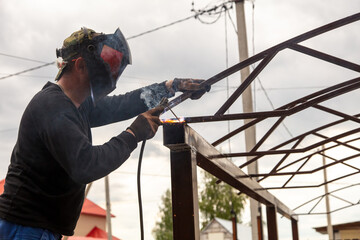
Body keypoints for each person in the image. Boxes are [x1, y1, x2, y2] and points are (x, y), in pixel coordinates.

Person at [0, 27, 209, 239]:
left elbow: (122, 104)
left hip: (36, 229)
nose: (109, 75)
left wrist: (170, 86)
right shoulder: (52, 106)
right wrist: (133, 134)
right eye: (105, 67)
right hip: (23, 228)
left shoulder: (77, 106)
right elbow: (86, 165)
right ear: (80, 65)